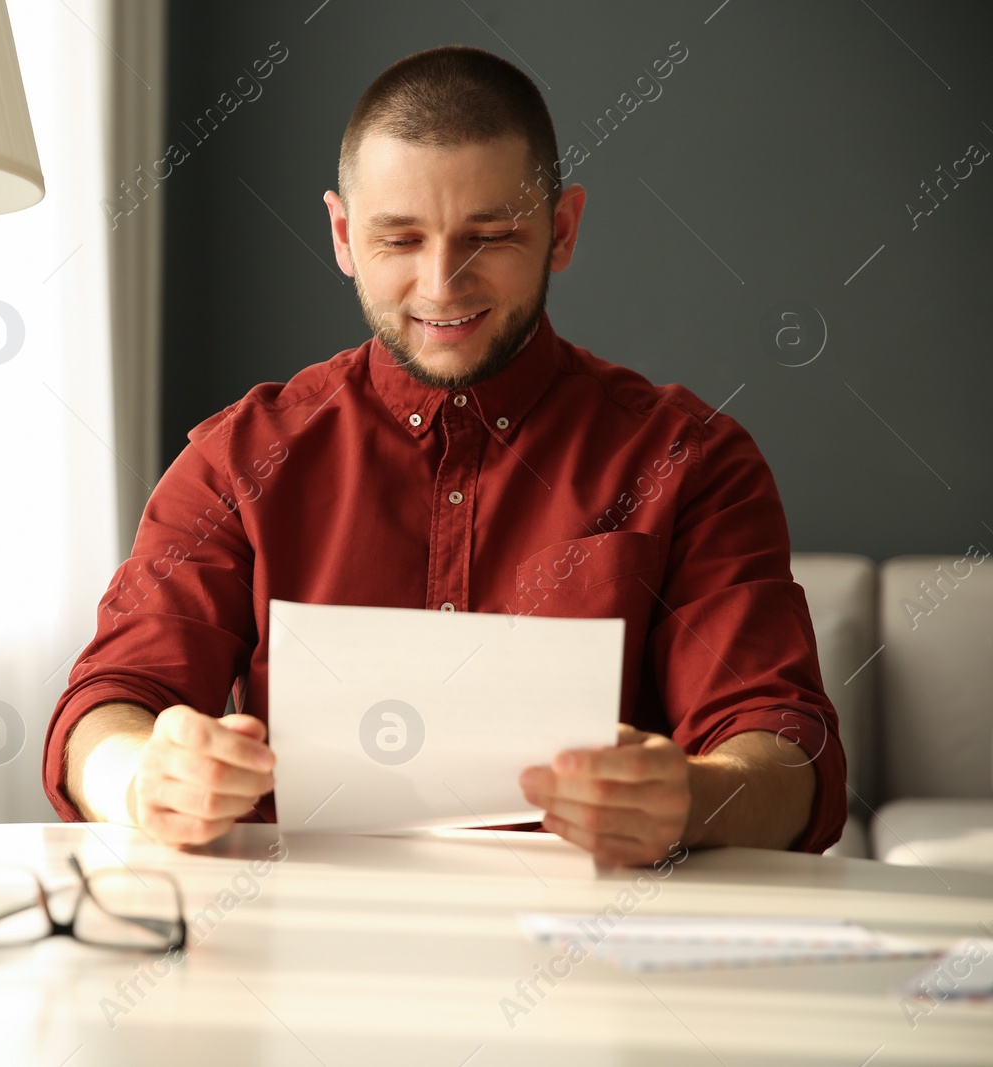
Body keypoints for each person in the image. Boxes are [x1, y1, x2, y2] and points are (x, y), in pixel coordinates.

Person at [42, 45, 845, 866]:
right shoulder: (238, 458)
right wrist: (143, 775)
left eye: (490, 234)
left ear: (560, 230)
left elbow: (788, 753)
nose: (442, 284)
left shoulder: (692, 459)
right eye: (399, 240)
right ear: (343, 235)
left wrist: (696, 798)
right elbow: (107, 704)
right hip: (290, 949)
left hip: (594, 954)